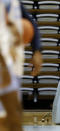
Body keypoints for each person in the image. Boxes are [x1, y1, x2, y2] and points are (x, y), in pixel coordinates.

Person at [0, 1, 42, 130]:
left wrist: (37, 50)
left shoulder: (14, 4)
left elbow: (31, 24)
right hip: (4, 65)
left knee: (13, 114)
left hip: (12, 65)